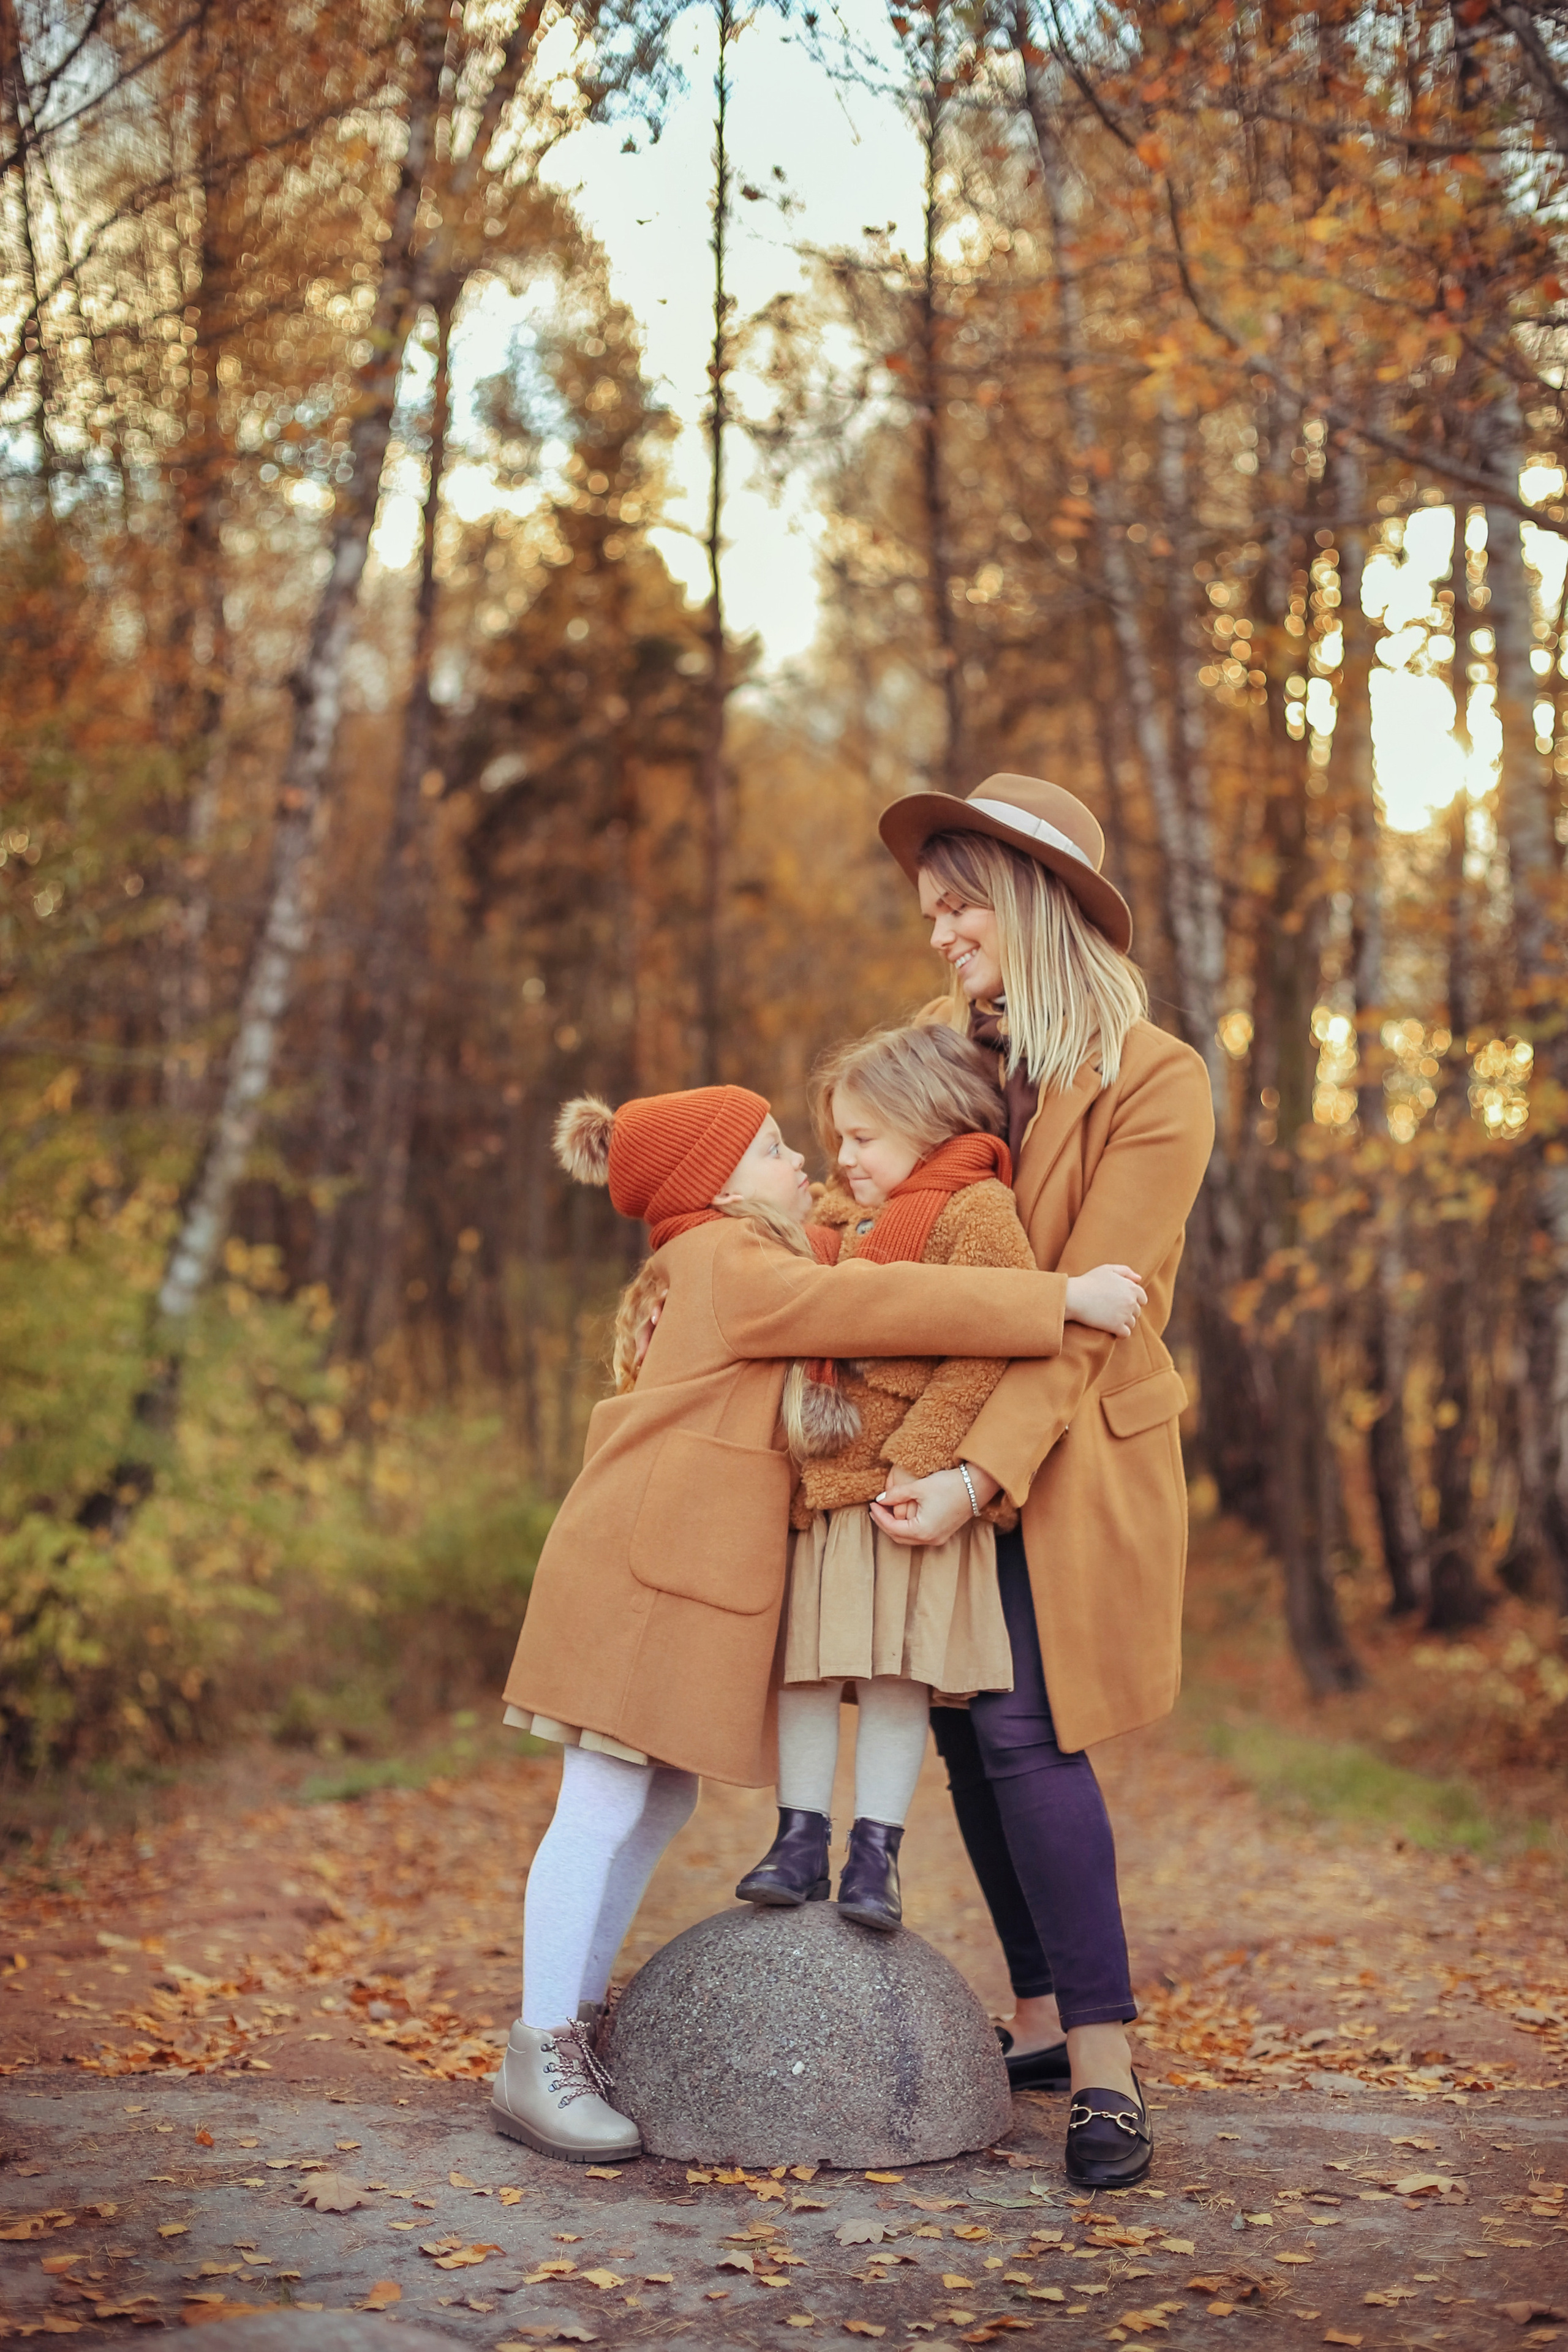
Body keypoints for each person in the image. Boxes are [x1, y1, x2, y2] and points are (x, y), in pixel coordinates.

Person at [488, 1077, 1082, 2163]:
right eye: (771, 1149)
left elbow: (866, 1257)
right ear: (718, 1188)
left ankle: (570, 2025)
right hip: (635, 1572)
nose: (798, 1160)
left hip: (665, 1568)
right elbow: (883, 1304)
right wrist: (1059, 1301)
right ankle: (540, 2051)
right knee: (603, 1800)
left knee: (654, 1800)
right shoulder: (732, 1258)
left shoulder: (735, 1255)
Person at [870, 773, 1215, 2191]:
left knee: (1025, 1727)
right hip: (945, 1423)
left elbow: (1092, 1317)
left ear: (1030, 900)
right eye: (929, 912)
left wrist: (973, 1479)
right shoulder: (944, 1056)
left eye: (957, 906)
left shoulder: (1155, 1079)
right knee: (964, 1724)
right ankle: (1032, 2016)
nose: (939, 933)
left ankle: (1104, 2065)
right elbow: (883, 1215)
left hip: (1072, 1454)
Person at [735, 1022, 1147, 1936]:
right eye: (839, 1139)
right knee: (806, 1667)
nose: (845, 1157)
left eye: (863, 1138)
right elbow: (781, 1288)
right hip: (824, 1491)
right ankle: (799, 1838)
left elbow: (986, 1351)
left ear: (929, 1122)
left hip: (907, 1494)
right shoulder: (835, 1217)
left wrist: (921, 1457)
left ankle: (875, 1852)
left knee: (897, 1675)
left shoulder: (976, 1211)